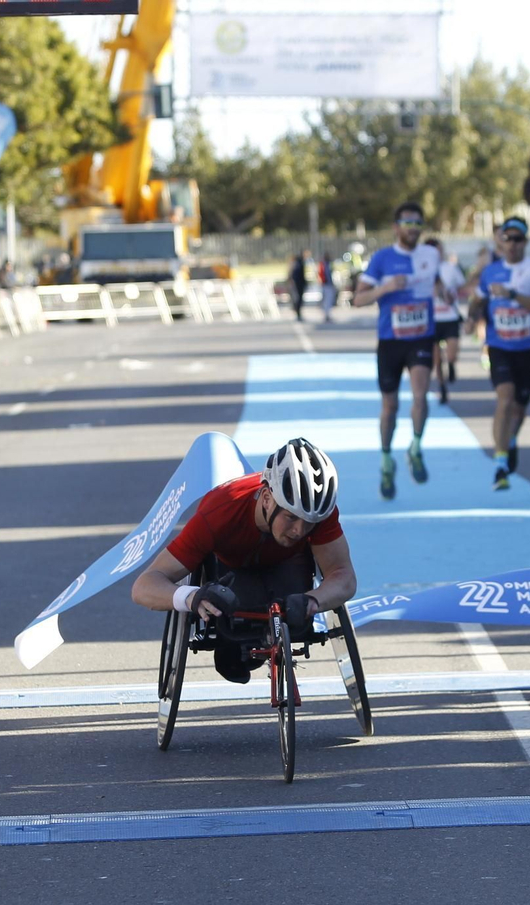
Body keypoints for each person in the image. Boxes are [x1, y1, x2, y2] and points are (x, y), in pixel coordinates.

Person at [130, 438, 357, 685]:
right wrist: (191, 597)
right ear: (268, 498)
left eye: (310, 522)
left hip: (290, 564)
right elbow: (144, 586)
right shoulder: (220, 511)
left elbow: (343, 576)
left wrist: (313, 601)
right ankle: (237, 646)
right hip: (231, 569)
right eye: (292, 517)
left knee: (298, 618)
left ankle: (271, 633)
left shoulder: (320, 513)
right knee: (232, 645)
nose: (300, 530)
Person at [354, 202, 445, 500]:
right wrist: (386, 288)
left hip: (421, 337)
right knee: (390, 405)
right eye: (407, 222)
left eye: (418, 223)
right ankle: (385, 460)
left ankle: (416, 447)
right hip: (390, 340)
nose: (413, 228)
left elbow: (438, 282)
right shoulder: (382, 259)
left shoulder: (431, 255)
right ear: (396, 228)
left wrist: (445, 291)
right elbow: (358, 299)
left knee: (420, 394)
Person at [468, 216, 530, 491]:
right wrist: (471, 315)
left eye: (519, 239)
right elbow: (477, 299)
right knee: (504, 400)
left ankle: (511, 440)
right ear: (500, 241)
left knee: (519, 408)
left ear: (525, 242)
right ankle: (500, 463)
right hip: (499, 347)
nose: (513, 244)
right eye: (508, 239)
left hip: (527, 348)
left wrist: (513, 295)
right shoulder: (490, 271)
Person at [423, 237, 467, 405]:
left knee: (452, 352)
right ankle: (442, 387)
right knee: (436, 359)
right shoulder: (423, 269)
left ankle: (452, 364)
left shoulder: (450, 268)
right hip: (432, 319)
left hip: (449, 317)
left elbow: (462, 287)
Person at [316, 253, 337, 324]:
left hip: (325, 284)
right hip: (327, 284)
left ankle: (327, 314)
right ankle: (326, 315)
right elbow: (328, 276)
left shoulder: (324, 264)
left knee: (327, 300)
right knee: (328, 300)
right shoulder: (326, 265)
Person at [288, 253, 309, 322]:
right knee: (298, 299)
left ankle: (298, 313)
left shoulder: (297, 264)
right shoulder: (298, 265)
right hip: (298, 285)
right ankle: (297, 313)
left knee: (299, 299)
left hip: (298, 285)